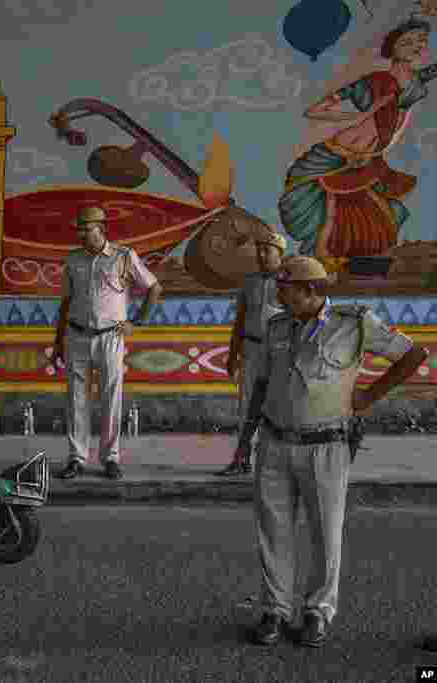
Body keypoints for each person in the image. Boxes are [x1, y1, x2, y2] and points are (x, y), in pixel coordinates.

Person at [233, 256, 427, 648]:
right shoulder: (276, 326)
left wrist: (370, 395)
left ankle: (318, 611)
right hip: (273, 442)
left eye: (285, 288)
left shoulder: (353, 324)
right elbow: (261, 386)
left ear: (311, 290)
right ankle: (276, 610)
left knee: (325, 535)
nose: (279, 293)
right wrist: (245, 438)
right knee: (273, 533)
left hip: (326, 447)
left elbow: (413, 354)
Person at [279, 19, 437, 263]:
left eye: (422, 41)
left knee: (375, 215)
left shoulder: (414, 83)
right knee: (326, 211)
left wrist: (383, 146)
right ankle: (320, 261)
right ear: (392, 46)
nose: (416, 46)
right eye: (408, 41)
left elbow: (400, 120)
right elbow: (314, 111)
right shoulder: (372, 81)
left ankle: (347, 264)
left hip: (368, 159)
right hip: (334, 156)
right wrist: (355, 115)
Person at [53, 206, 163, 480]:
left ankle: (110, 458)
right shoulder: (73, 260)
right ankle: (77, 457)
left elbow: (154, 288)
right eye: (79, 229)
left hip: (111, 337)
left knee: (110, 398)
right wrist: (57, 342)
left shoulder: (123, 257)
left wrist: (136, 322)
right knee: (76, 400)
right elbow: (65, 302)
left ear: (101, 229)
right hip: (77, 335)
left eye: (86, 229)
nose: (81, 234)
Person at [217, 231, 288, 476]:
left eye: (266, 249)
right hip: (251, 349)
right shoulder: (250, 282)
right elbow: (240, 321)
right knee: (247, 407)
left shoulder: (290, 281)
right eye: (259, 249)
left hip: (280, 354)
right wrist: (232, 354)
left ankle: (275, 463)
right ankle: (241, 459)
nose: (260, 254)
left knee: (278, 407)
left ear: (280, 254)